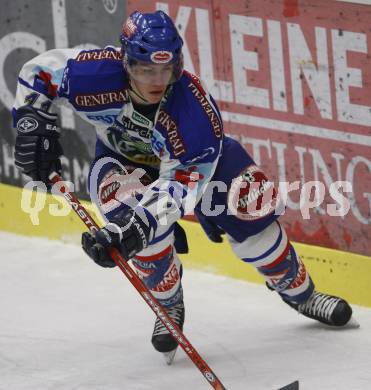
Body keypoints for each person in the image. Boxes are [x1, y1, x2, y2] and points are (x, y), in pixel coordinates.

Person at [13, 10, 354, 358]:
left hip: (199, 167)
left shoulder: (194, 114)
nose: (157, 80)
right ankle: (168, 304)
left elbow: (180, 185)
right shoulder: (94, 72)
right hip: (122, 162)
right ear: (126, 62)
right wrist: (30, 120)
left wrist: (139, 225)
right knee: (129, 218)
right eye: (146, 70)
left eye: (166, 69)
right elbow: (37, 72)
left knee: (250, 206)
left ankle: (302, 294)